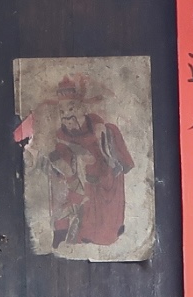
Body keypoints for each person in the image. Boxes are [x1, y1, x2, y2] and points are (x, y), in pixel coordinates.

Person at [40, 75, 133, 248]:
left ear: (82, 109)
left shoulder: (95, 124)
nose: (67, 115)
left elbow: (102, 149)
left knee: (97, 174)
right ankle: (62, 229)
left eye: (71, 109)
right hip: (76, 174)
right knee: (59, 174)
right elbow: (62, 154)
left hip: (99, 169)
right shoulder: (61, 133)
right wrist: (68, 164)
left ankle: (104, 230)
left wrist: (99, 141)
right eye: (62, 112)